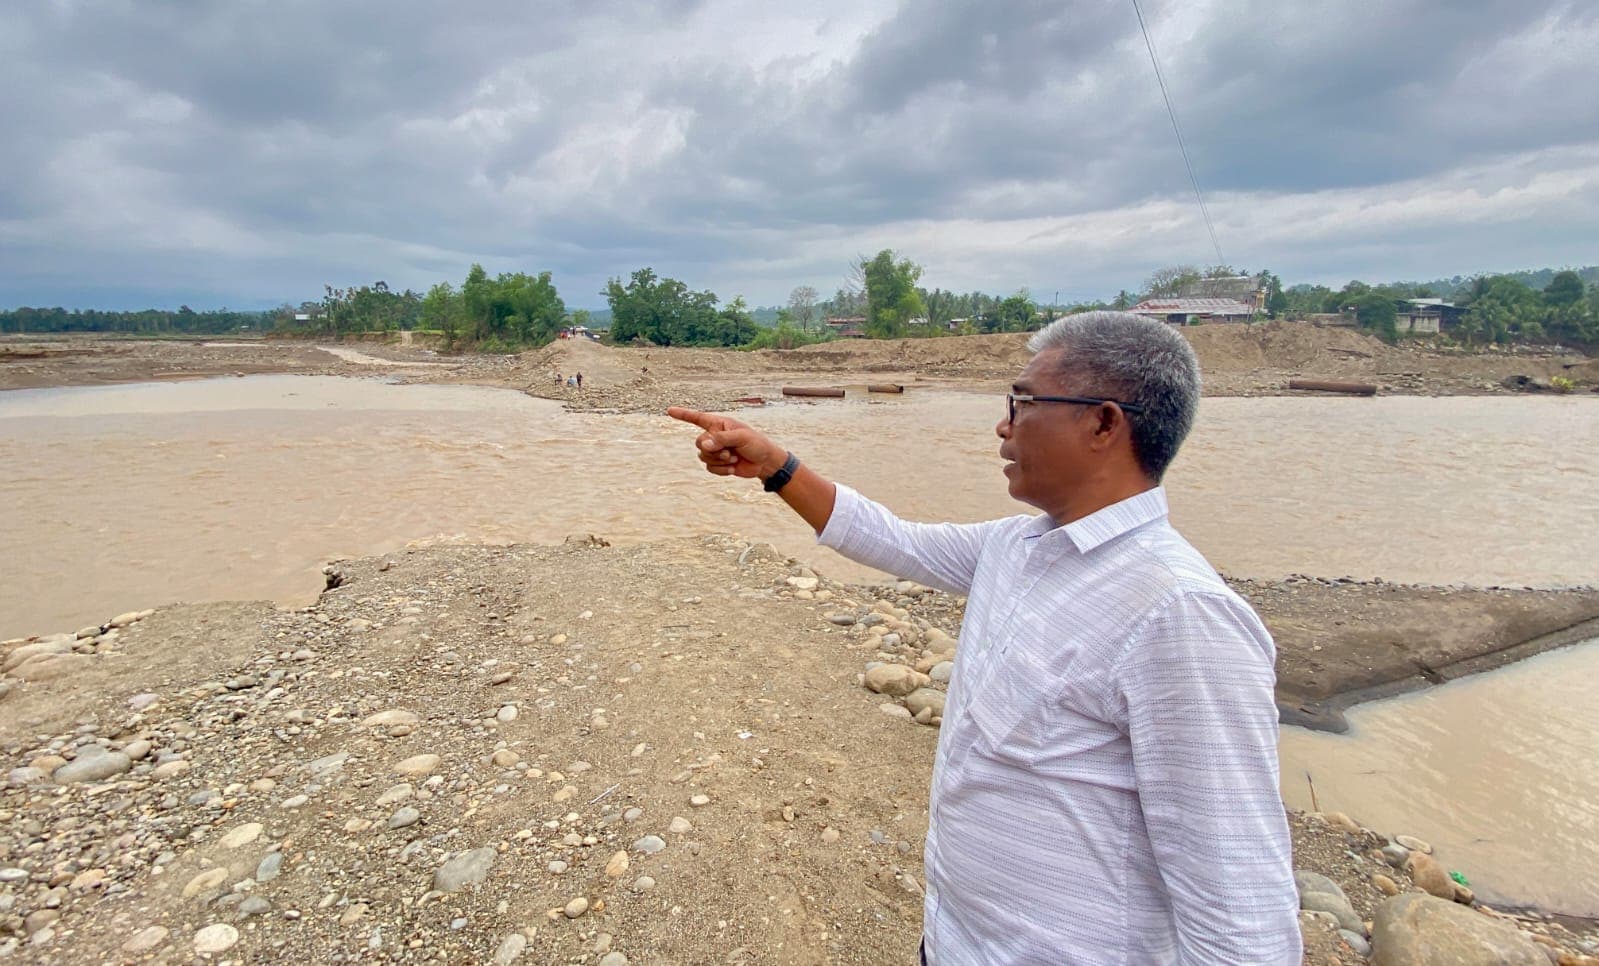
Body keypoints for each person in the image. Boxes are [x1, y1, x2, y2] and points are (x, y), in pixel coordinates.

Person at [668, 311, 1299, 965]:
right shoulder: (1016, 548)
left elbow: (1239, 917)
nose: (1003, 424)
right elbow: (891, 538)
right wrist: (775, 466)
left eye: (1021, 403)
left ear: (1103, 423)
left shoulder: (1177, 613)